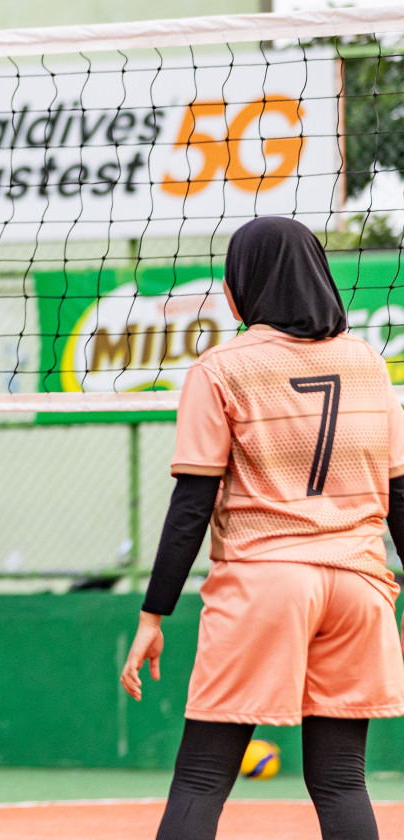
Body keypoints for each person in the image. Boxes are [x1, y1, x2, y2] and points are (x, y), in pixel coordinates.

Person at [121, 216, 404, 840]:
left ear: (239, 287)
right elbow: (401, 495)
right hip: (359, 588)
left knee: (201, 777)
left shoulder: (221, 369)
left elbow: (192, 503)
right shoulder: (369, 364)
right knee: (340, 780)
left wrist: (152, 616)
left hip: (265, 584)